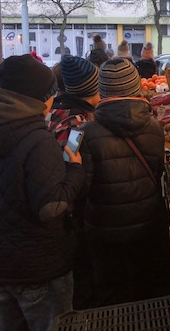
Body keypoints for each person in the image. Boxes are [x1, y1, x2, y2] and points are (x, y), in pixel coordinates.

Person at [0, 54, 85, 331]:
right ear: (40, 97)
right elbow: (51, 207)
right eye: (51, 93)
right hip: (40, 268)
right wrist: (75, 171)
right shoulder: (38, 140)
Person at [79, 58, 170, 307]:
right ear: (136, 88)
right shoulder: (155, 128)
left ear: (102, 92)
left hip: (105, 233)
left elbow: (82, 188)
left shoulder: (86, 134)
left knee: (112, 297)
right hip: (147, 226)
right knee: (147, 292)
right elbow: (157, 172)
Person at [46, 55, 100, 310]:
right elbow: (72, 162)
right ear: (89, 90)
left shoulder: (56, 112)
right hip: (72, 210)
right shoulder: (76, 124)